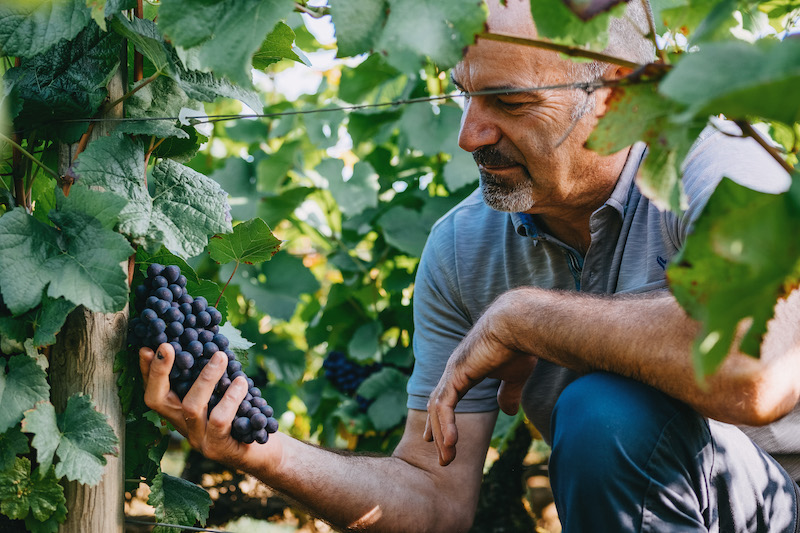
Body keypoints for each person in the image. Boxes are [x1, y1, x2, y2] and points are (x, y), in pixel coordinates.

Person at [140, 0, 800, 531]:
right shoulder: (463, 248)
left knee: (605, 412)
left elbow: (757, 370)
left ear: (614, 99)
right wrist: (266, 452)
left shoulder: (718, 167)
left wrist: (526, 317)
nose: (470, 136)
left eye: (508, 103)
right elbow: (434, 497)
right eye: (466, 97)